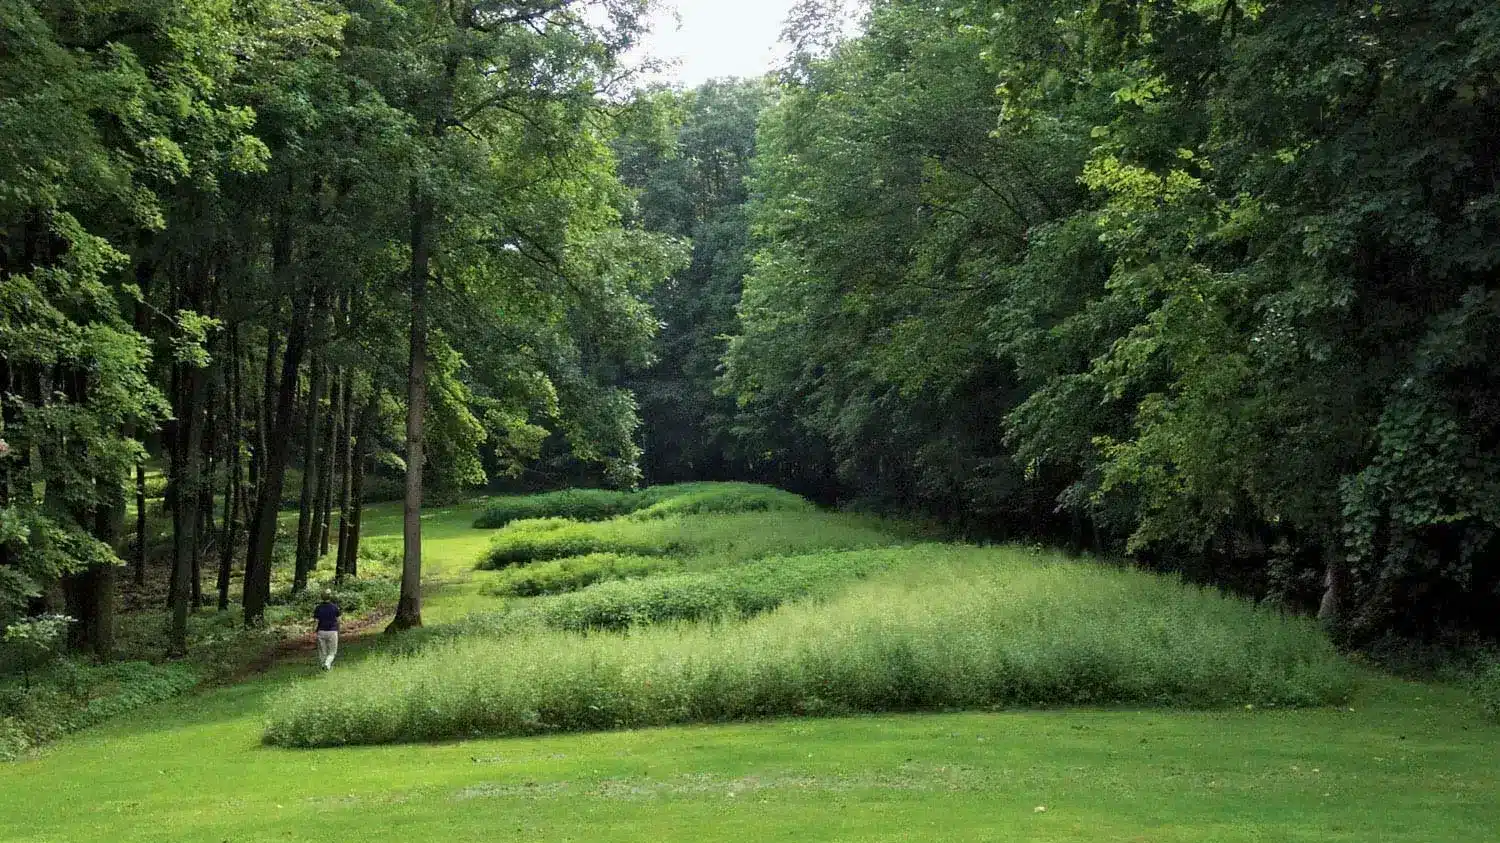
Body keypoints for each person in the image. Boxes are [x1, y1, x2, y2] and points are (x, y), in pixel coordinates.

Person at [313, 590, 341, 671]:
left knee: (322, 651)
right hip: (332, 631)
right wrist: (339, 630)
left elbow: (316, 621)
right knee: (332, 652)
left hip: (321, 631)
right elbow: (339, 620)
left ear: (321, 597)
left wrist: (314, 631)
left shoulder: (318, 608)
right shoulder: (335, 607)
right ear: (330, 597)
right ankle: (327, 664)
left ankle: (324, 666)